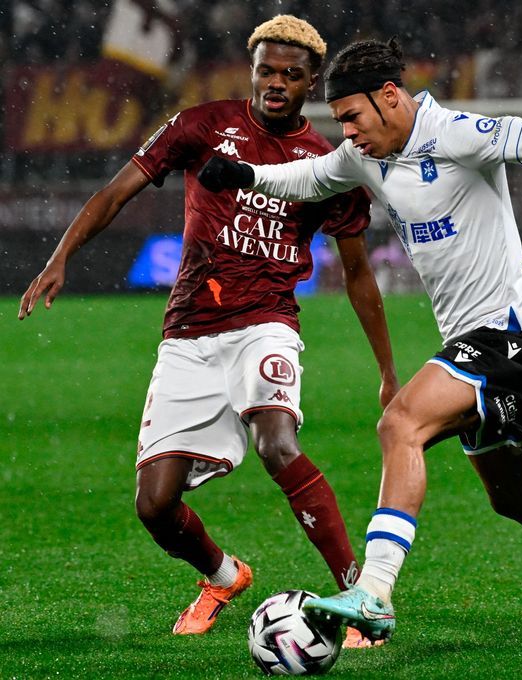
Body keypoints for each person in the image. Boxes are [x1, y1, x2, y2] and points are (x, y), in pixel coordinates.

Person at [196, 37, 522, 644]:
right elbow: (311, 177)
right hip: (477, 340)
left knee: (400, 424)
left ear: (391, 97)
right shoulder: (365, 156)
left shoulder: (457, 133)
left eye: (353, 117)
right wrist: (245, 174)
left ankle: (375, 592)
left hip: (511, 333)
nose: (349, 133)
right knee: (518, 500)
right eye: (340, 123)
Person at [17, 15, 398, 649]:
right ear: (252, 70)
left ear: (310, 85)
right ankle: (223, 575)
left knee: (278, 444)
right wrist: (62, 256)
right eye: (266, 71)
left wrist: (387, 370)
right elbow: (118, 192)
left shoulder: (328, 163)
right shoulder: (201, 125)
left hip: (267, 324)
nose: (275, 84)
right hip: (189, 331)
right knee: (154, 506)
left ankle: (360, 595)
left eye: (291, 75)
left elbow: (359, 276)